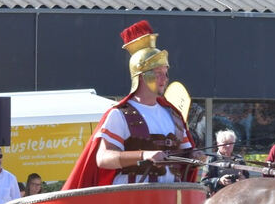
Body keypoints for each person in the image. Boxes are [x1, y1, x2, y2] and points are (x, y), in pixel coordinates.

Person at [64, 20, 197, 189]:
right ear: (141, 76)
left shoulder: (173, 115)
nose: (164, 79)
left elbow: (186, 155)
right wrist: (142, 155)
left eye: (165, 73)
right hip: (132, 197)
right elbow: (103, 158)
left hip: (172, 196)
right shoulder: (120, 114)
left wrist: (196, 156)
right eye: (158, 73)